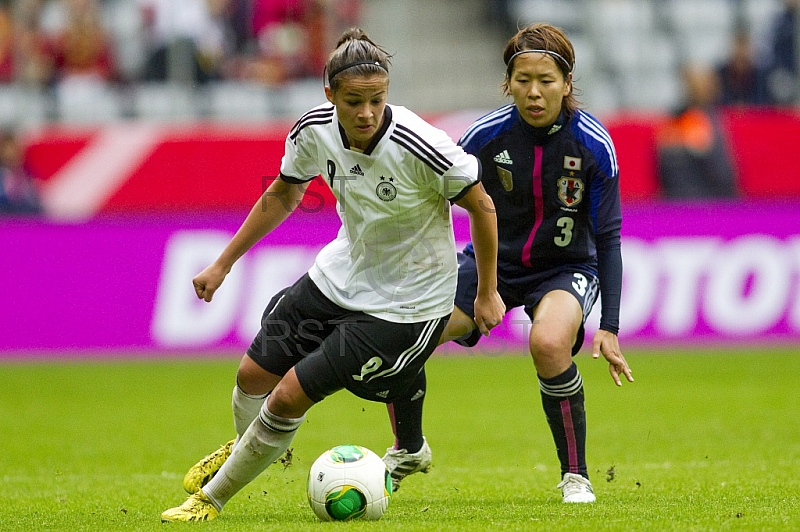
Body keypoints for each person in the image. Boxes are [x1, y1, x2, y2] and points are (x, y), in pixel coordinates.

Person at [160, 27, 505, 522]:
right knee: (252, 374)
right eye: (353, 101)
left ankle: (210, 500)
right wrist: (224, 262)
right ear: (330, 95)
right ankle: (247, 449)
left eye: (376, 100)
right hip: (342, 274)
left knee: (288, 395)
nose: (366, 113)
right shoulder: (312, 130)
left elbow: (483, 206)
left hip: (407, 302)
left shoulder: (421, 144)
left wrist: (486, 292)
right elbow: (283, 192)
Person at [381, 22, 633, 504]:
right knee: (405, 330)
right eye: (523, 81)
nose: (534, 93)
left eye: (546, 81)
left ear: (567, 82)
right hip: (492, 264)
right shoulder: (484, 136)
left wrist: (611, 325)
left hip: (566, 269)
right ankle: (409, 447)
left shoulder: (595, 144)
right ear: (508, 82)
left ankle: (575, 476)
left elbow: (608, 235)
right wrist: (479, 286)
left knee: (549, 342)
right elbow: (433, 199)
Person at [656, 64, 738, 199]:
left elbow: (724, 177)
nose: (696, 89)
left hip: (711, 204)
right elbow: (663, 169)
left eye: (703, 84)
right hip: (676, 203)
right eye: (693, 85)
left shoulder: (714, 121)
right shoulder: (673, 122)